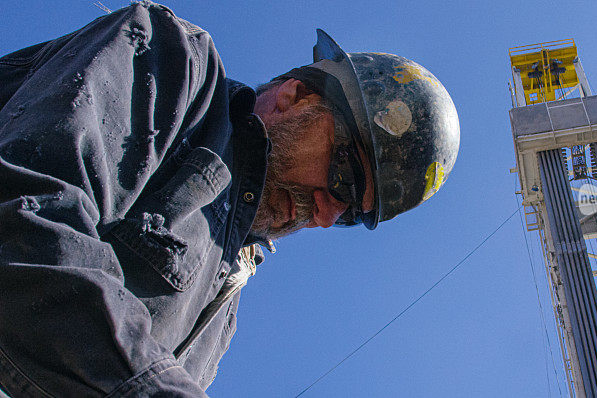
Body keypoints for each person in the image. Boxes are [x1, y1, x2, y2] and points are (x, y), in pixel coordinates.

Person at [0, 2, 459, 397]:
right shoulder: (173, 64)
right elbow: (25, 215)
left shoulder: (223, 310)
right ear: (295, 96)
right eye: (344, 177)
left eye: (349, 216)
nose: (324, 214)